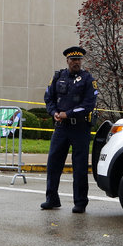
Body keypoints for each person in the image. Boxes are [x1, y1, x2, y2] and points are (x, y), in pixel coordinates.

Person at [41, 46, 98, 213]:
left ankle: (80, 202)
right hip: (61, 128)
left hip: (80, 128)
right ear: (67, 61)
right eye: (73, 60)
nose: (76, 62)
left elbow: (88, 105)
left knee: (79, 167)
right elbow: (48, 98)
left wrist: (68, 113)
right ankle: (51, 199)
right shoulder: (58, 77)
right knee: (53, 164)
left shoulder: (88, 79)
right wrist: (54, 113)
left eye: (79, 59)